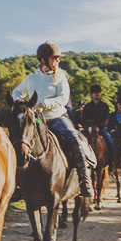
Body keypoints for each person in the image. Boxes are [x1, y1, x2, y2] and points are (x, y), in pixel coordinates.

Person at [11, 42, 94, 197]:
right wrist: (23, 105)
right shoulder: (31, 79)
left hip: (56, 118)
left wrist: (43, 104)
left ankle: (85, 181)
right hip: (36, 121)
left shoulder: (60, 77)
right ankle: (18, 184)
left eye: (59, 58)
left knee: (75, 140)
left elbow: (63, 98)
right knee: (20, 142)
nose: (58, 60)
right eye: (55, 57)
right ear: (43, 60)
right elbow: (16, 92)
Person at [82, 84, 115, 165]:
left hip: (101, 129)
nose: (97, 94)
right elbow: (83, 119)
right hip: (89, 129)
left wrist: (99, 127)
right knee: (77, 141)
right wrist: (87, 126)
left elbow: (107, 119)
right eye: (95, 93)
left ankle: (112, 163)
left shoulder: (105, 106)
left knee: (111, 141)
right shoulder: (87, 106)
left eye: (98, 92)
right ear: (91, 95)